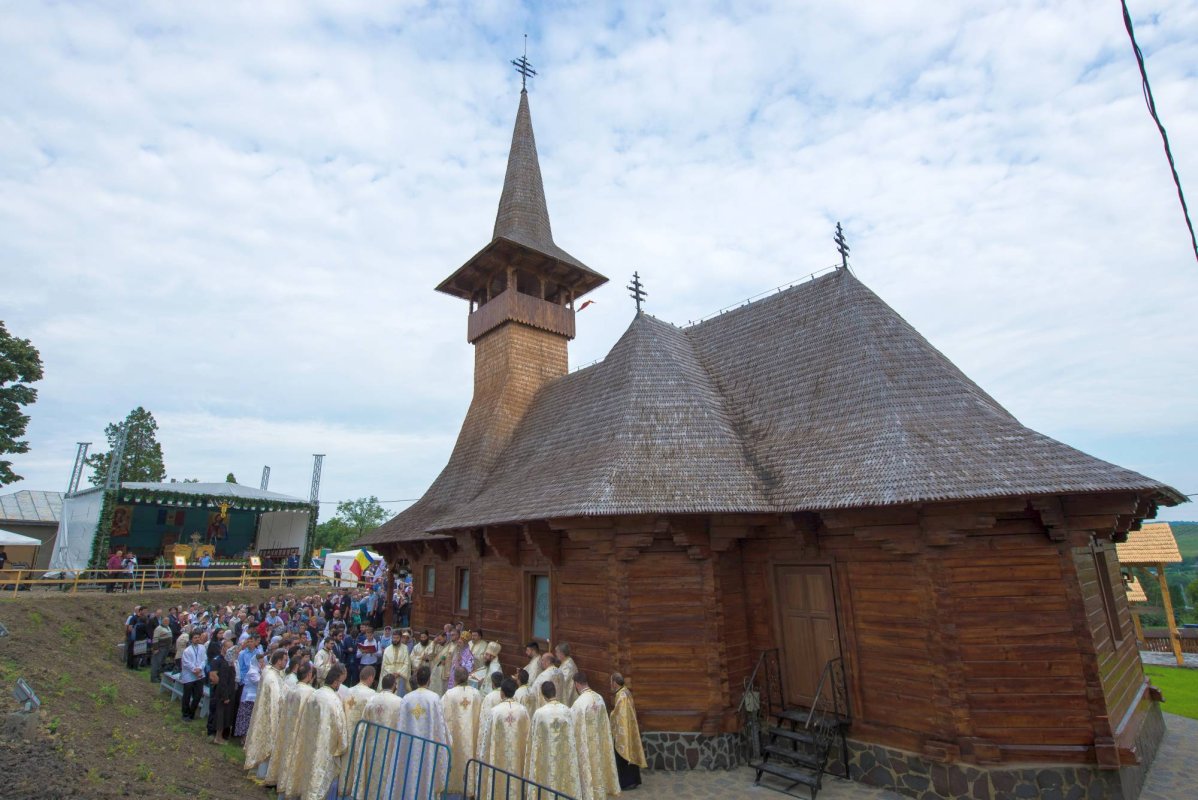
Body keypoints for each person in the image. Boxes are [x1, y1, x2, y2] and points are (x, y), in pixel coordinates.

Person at [293, 663, 349, 800]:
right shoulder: (334, 700)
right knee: (320, 779)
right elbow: (341, 727)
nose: (340, 685)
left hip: (308, 742)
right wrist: (342, 747)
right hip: (325, 747)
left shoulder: (314, 694)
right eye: (340, 682)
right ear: (336, 682)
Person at [397, 665, 450, 800]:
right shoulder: (434, 698)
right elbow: (441, 726)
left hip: (408, 745)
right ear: (429, 680)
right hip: (428, 748)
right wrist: (448, 742)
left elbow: (401, 725)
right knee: (426, 776)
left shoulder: (407, 698)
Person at [525, 680, 582, 798]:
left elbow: (533, 740)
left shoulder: (539, 713)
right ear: (555, 692)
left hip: (546, 756)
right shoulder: (566, 710)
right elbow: (572, 736)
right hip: (564, 754)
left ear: (543, 695)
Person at [353, 673, 404, 799]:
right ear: (394, 686)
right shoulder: (399, 702)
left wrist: (360, 744)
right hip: (390, 746)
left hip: (372, 745)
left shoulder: (372, 699)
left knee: (371, 774)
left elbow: (363, 725)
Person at [571, 672, 620, 800]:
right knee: (599, 767)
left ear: (576, 684)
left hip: (586, 745)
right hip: (599, 743)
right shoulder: (599, 698)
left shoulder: (579, 703)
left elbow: (573, 727)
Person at [480, 677, 532, 798]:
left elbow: (487, 738)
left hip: (498, 755)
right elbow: (527, 736)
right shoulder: (522, 710)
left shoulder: (495, 711)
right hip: (517, 756)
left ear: (502, 692)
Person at [271, 662, 315, 796]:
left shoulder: (292, 689)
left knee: (286, 757)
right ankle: (291, 789)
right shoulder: (310, 692)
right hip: (299, 733)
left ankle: (281, 784)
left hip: (288, 729)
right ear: (309, 675)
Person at [244, 649, 287, 783]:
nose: (287, 662)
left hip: (265, 714)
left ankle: (260, 771)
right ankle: (261, 773)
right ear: (279, 661)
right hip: (270, 716)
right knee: (267, 743)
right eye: (285, 660)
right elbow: (277, 700)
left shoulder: (271, 672)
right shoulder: (272, 677)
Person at [442, 665, 482, 795]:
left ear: (455, 678)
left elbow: (443, 716)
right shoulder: (476, 694)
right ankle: (470, 786)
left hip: (455, 738)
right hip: (472, 736)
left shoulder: (449, 694)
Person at [609, 673, 647, 790]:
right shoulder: (625, 692)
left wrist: (611, 715)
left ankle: (627, 782)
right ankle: (633, 780)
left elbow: (619, 715)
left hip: (623, 732)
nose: (610, 684)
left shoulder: (622, 696)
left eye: (611, 682)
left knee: (623, 755)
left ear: (615, 683)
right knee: (629, 753)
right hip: (629, 729)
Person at [210, 640, 239, 744]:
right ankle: (218, 738)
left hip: (229, 693)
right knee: (220, 717)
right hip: (223, 694)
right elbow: (222, 682)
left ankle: (220, 737)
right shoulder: (224, 664)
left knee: (225, 716)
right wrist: (225, 696)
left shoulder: (230, 663)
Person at [474, 671, 506, 762]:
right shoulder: (506, 695)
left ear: (492, 683)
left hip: (491, 733)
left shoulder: (489, 697)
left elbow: (484, 719)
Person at [180, 631, 207, 721]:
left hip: (200, 674)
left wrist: (199, 668)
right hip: (189, 676)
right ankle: (185, 713)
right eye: (195, 637)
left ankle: (192, 712)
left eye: (198, 637)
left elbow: (204, 659)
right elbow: (186, 663)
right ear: (191, 639)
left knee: (198, 695)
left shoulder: (202, 648)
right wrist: (194, 669)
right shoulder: (187, 650)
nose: (197, 639)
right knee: (187, 695)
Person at [344, 664, 377, 737]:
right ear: (371, 678)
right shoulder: (372, 694)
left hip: (346, 731)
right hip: (360, 734)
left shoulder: (348, 691)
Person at [382, 629, 412, 695]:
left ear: (401, 638)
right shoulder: (387, 650)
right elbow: (385, 665)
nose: (395, 639)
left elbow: (407, 663)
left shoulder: (405, 648)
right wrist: (392, 673)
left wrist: (399, 673)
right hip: (390, 677)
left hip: (401, 676)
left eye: (397, 638)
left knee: (400, 695)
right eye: (394, 638)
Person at [150, 613, 173, 683]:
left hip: (166, 648)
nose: (167, 622)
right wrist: (155, 648)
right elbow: (155, 639)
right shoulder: (159, 628)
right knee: (156, 662)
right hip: (160, 648)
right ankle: (153, 677)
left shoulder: (168, 627)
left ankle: (158, 676)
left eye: (168, 621)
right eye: (165, 621)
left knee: (161, 662)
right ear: (162, 621)